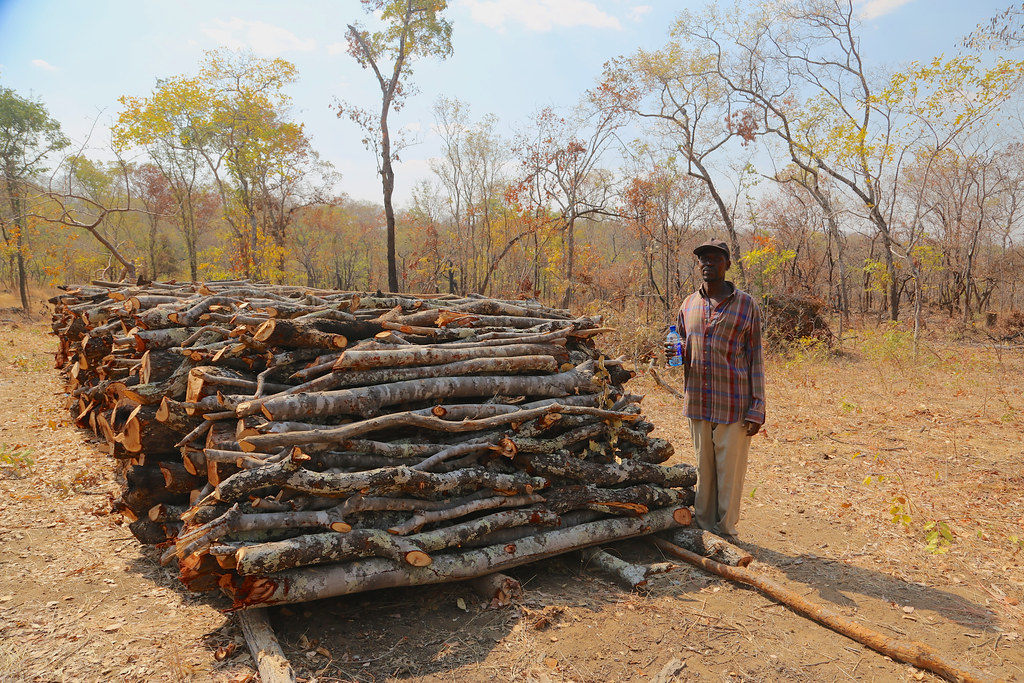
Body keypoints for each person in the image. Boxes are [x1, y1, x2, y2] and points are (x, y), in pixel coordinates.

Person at [665, 238, 765, 539]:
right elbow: (678, 348)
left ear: (727, 264)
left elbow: (756, 358)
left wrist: (757, 407)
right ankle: (705, 530)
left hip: (734, 401)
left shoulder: (746, 305)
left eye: (715, 259)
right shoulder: (689, 304)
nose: (708, 263)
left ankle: (726, 530)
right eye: (703, 259)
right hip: (698, 399)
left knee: (729, 472)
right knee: (704, 469)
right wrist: (674, 350)